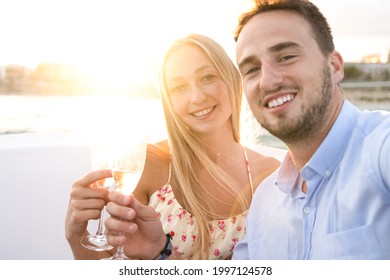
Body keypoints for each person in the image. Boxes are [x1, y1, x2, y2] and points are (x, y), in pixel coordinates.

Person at [65, 33, 280, 260]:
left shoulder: (270, 176)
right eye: (178, 88)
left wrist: (160, 252)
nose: (197, 97)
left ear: (232, 78)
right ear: (168, 101)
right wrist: (75, 234)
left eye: (207, 77)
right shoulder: (150, 164)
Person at [231, 0, 390, 259]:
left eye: (286, 56)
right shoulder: (263, 203)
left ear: (335, 67)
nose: (268, 80)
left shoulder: (379, 148)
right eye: (252, 69)